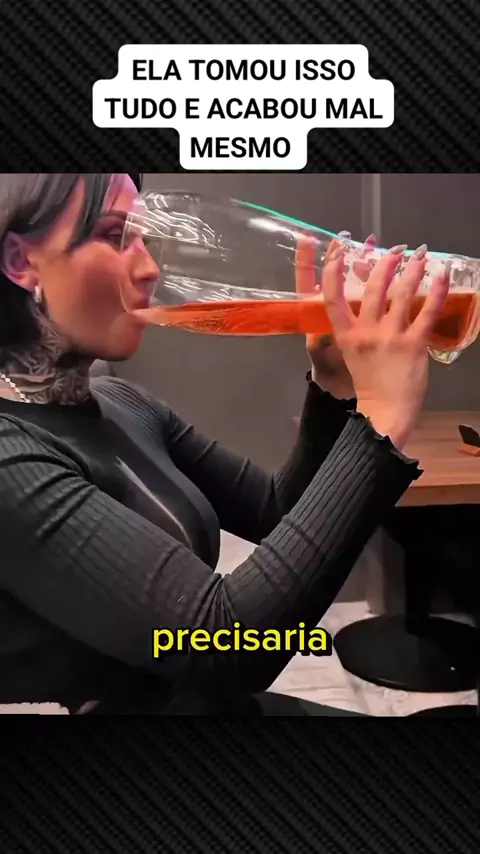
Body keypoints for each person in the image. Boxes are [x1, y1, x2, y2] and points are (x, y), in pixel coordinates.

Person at [0, 173, 449, 715]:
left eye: (144, 238)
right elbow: (227, 643)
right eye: (115, 235)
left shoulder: (122, 402)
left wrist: (334, 383)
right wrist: (380, 421)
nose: (149, 268)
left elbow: (277, 512)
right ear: (20, 261)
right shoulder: (10, 455)